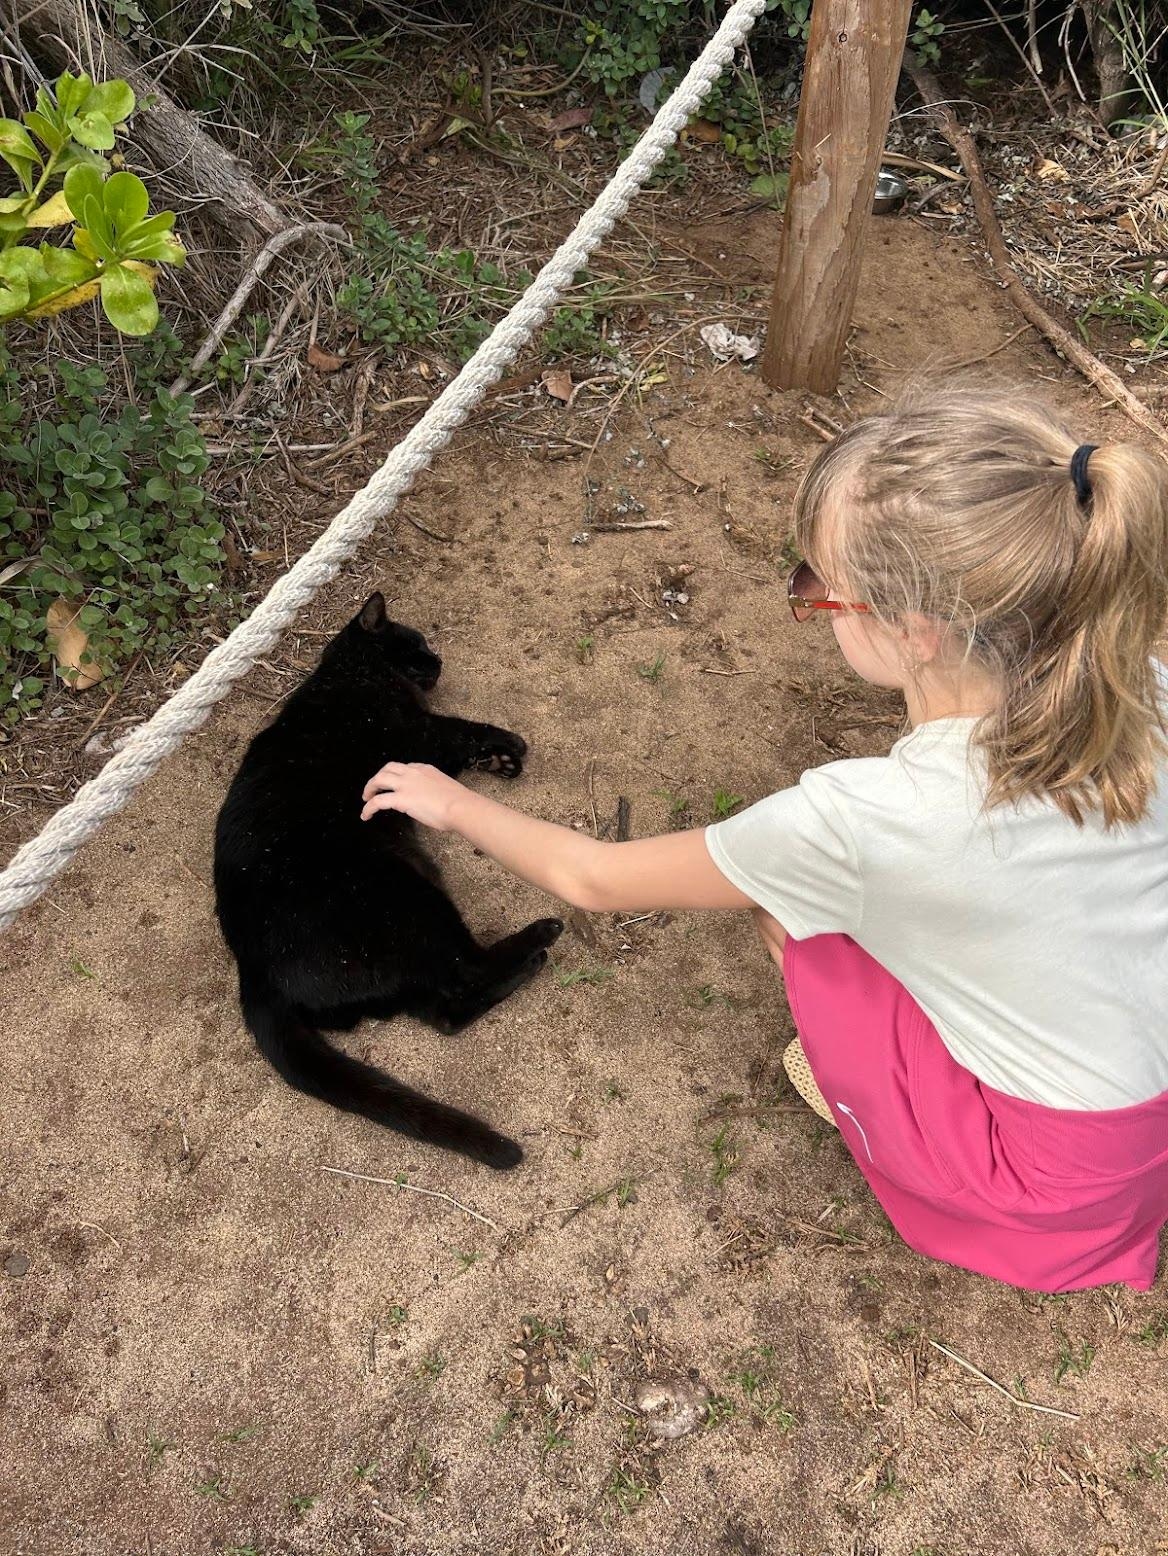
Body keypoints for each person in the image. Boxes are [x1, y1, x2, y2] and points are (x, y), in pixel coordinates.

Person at [360, 384, 1168, 1294]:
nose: (807, 599)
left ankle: (903, 1130)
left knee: (800, 932)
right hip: (1146, 1100)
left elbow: (592, 877)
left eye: (817, 588)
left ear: (913, 629)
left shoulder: (858, 822)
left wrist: (453, 803)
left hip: (1053, 1182)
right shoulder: (1138, 679)